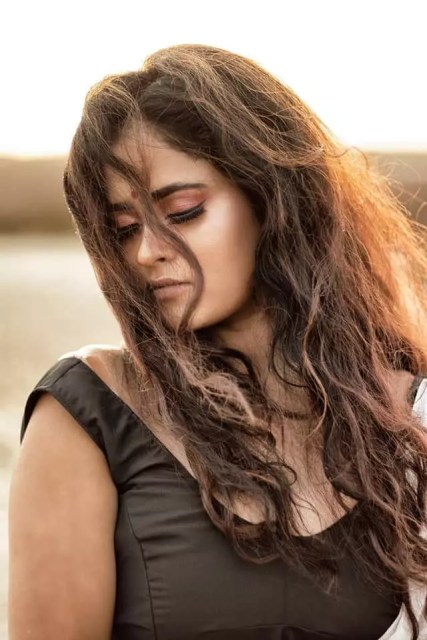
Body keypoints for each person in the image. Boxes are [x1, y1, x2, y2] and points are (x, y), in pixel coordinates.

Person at [7, 44, 427, 640]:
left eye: (183, 212)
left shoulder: (409, 418)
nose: (145, 252)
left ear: (272, 198)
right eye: (123, 229)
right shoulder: (88, 415)